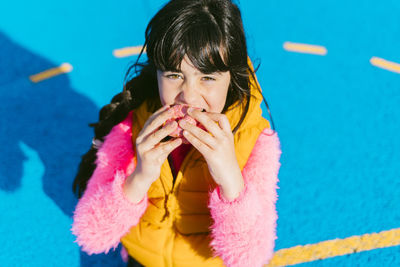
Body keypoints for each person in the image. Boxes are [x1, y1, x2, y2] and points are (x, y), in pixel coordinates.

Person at [71, 0, 282, 266]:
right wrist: (140, 176)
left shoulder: (254, 141)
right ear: (157, 73)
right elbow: (91, 235)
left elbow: (250, 259)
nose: (189, 97)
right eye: (173, 75)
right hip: (141, 258)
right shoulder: (132, 125)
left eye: (207, 77)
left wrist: (230, 180)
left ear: (232, 77)